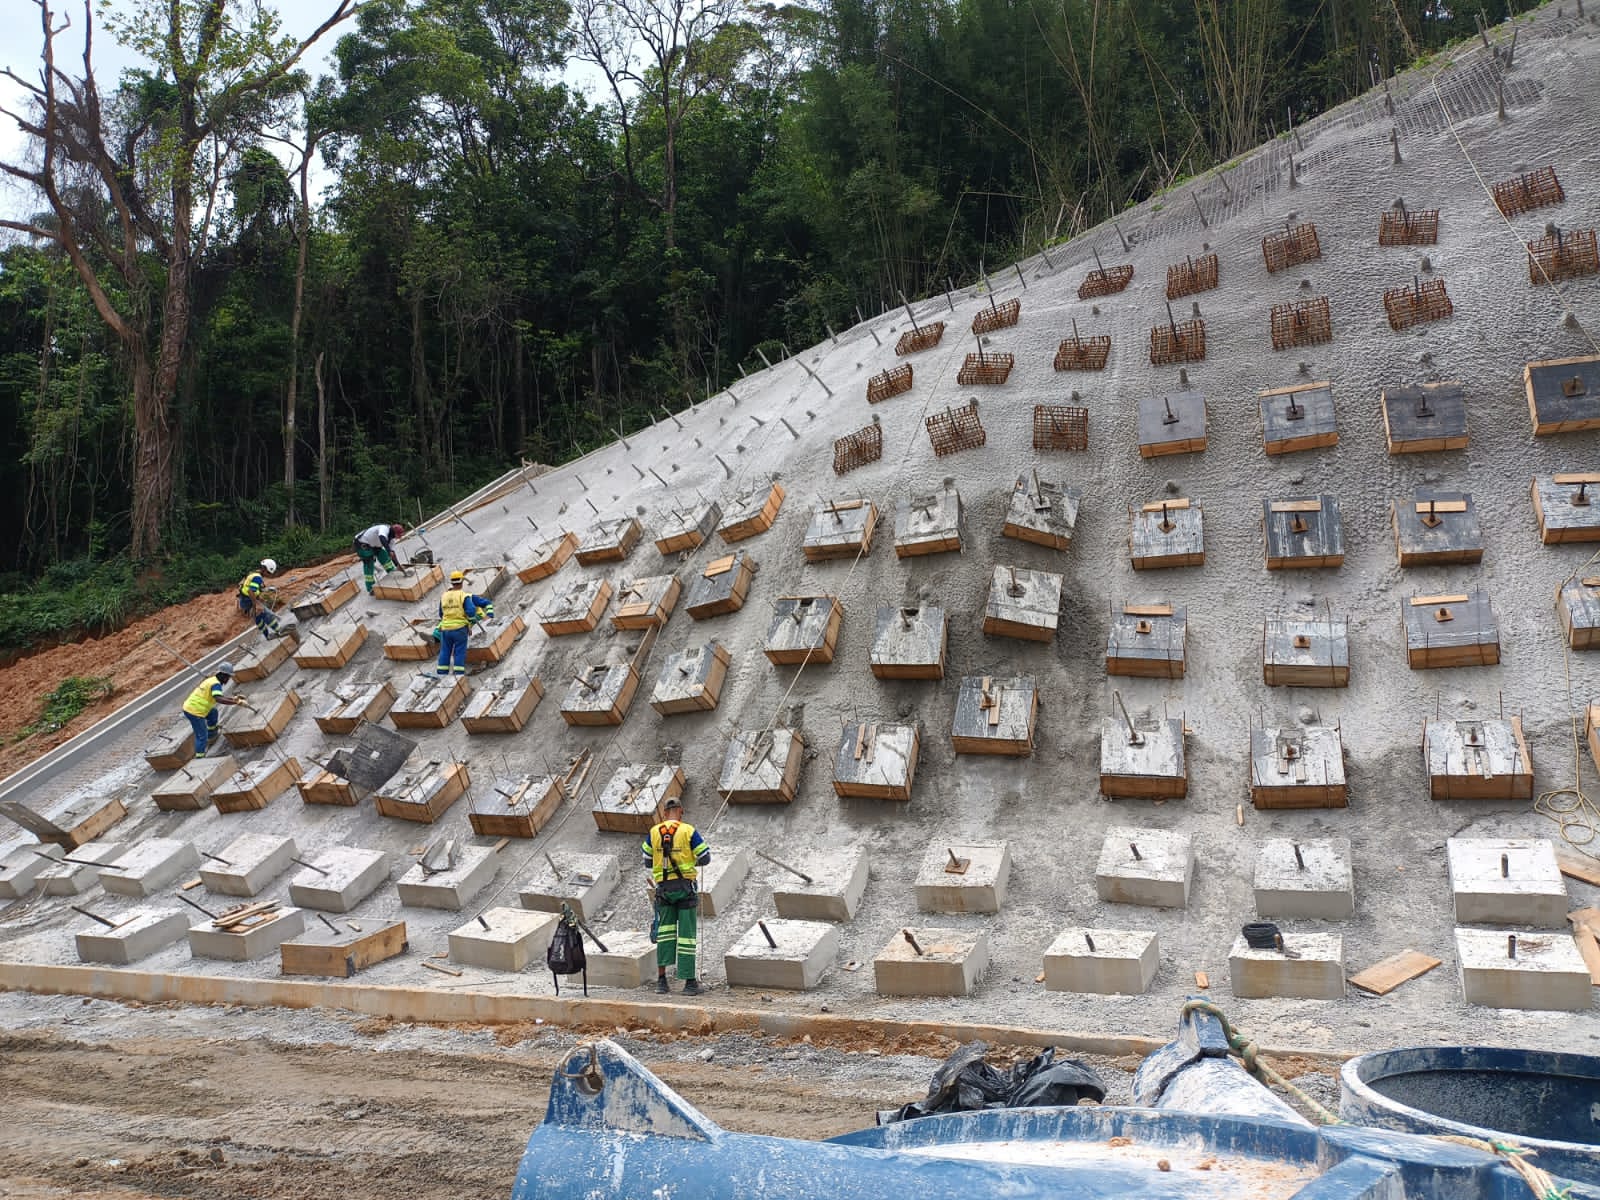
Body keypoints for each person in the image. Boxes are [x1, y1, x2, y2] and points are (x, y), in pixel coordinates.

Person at [642, 797, 710, 995]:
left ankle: (662, 982)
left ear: (664, 813)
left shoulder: (654, 833)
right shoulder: (688, 831)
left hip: (663, 890)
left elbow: (647, 861)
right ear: (681, 811)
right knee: (686, 936)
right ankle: (689, 984)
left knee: (665, 933)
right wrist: (687, 863)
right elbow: (705, 857)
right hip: (685, 889)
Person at [432, 569, 495, 677]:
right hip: (460, 628)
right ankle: (458, 675)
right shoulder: (464, 595)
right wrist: (469, 623)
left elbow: (441, 614)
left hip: (445, 629)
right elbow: (471, 611)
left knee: (445, 651)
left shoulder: (444, 596)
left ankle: (441, 675)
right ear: (462, 582)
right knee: (459, 651)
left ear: (451, 582)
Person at [181, 662, 248, 758]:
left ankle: (212, 735)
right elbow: (219, 699)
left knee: (213, 713)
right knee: (201, 736)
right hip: (194, 711)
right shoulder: (215, 684)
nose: (228, 679)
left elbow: (219, 696)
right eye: (228, 676)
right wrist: (236, 702)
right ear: (223, 675)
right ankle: (200, 757)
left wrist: (235, 699)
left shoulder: (212, 680)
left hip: (195, 707)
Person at [353, 522, 406, 593]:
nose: (400, 537)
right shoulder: (384, 528)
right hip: (362, 543)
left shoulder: (392, 540)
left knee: (384, 556)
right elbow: (382, 538)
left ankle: (392, 572)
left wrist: (397, 565)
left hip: (374, 545)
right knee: (369, 564)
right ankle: (370, 588)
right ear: (394, 533)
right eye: (399, 535)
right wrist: (389, 550)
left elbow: (392, 554)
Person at [236, 558, 282, 638]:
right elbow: (251, 591)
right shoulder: (258, 578)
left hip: (244, 600)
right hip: (248, 600)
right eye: (268, 572)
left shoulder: (254, 574)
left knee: (258, 617)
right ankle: (279, 631)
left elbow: (251, 588)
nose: (269, 575)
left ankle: (267, 635)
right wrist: (256, 605)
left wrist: (260, 595)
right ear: (264, 569)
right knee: (266, 615)